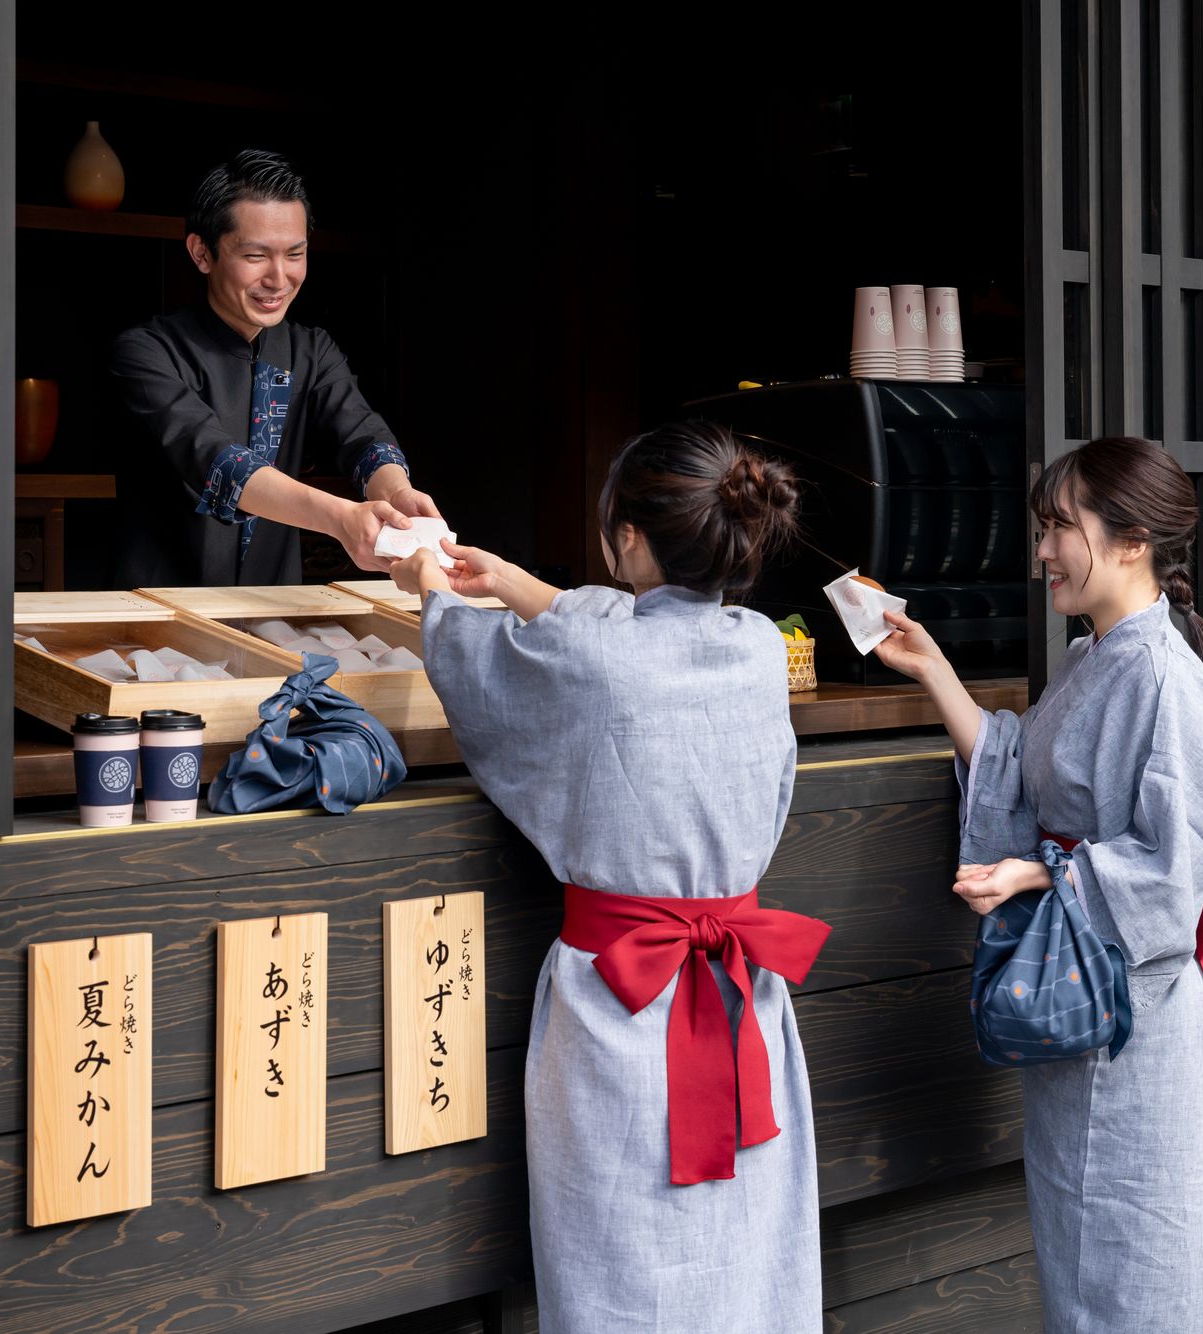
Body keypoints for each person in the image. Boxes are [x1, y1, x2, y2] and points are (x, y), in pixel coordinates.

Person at [389, 420, 829, 1332]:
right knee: (743, 1255)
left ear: (626, 538)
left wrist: (432, 586)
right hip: (745, 997)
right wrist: (515, 585)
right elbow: (628, 638)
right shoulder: (753, 648)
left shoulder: (594, 657)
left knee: (619, 1264)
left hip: (620, 1006)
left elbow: (501, 662)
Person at [873, 435, 1203, 1333]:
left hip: (1142, 1021)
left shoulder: (1162, 672)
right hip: (1089, 1007)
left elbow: (1177, 860)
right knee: (1085, 1262)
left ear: (1132, 539)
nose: (1041, 552)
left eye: (1059, 528)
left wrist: (1040, 870)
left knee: (1145, 1275)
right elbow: (1014, 765)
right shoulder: (1093, 659)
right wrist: (932, 669)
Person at [107, 149, 435, 587]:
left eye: (295, 254)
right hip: (158, 614)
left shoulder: (312, 351)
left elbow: (363, 436)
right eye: (256, 256)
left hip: (272, 613)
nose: (279, 279)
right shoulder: (147, 353)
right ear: (202, 253)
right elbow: (217, 460)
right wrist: (341, 518)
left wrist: (398, 495)